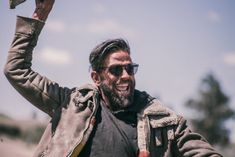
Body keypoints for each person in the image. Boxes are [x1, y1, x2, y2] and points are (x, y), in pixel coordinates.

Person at [4, 1, 222, 157]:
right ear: (96, 77)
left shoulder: (160, 120)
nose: (126, 76)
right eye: (116, 70)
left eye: (130, 68)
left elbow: (197, 149)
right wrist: (39, 16)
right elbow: (16, 70)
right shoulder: (72, 104)